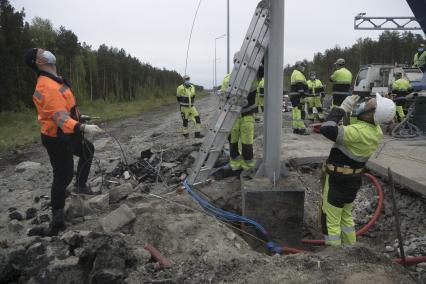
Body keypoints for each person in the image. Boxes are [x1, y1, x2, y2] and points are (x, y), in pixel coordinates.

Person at [24, 48, 104, 236]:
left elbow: (63, 109)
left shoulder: (54, 79)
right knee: (63, 176)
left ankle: (80, 186)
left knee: (87, 150)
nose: (47, 52)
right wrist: (83, 128)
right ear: (39, 62)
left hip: (68, 131)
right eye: (42, 52)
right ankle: (57, 220)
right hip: (56, 138)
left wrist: (80, 117)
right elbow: (59, 118)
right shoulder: (46, 86)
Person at [319, 94, 395, 246]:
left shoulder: (358, 132)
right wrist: (349, 112)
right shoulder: (375, 131)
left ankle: (333, 256)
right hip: (352, 180)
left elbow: (327, 128)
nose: (364, 103)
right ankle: (350, 250)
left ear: (372, 113)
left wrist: (341, 109)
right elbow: (354, 125)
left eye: (368, 104)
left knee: (331, 221)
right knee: (346, 217)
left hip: (338, 180)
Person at [221, 52, 260, 174]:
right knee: (234, 142)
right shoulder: (228, 78)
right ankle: (237, 166)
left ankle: (246, 166)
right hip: (233, 116)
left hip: (245, 115)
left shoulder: (252, 77)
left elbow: (261, 72)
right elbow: (223, 100)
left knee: (246, 142)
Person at [290, 61, 309, 135]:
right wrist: (303, 95)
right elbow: (300, 85)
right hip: (298, 96)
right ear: (297, 66)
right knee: (299, 112)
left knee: (295, 111)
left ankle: (296, 128)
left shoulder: (294, 73)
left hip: (294, 96)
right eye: (302, 66)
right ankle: (301, 128)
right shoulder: (298, 74)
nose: (303, 67)